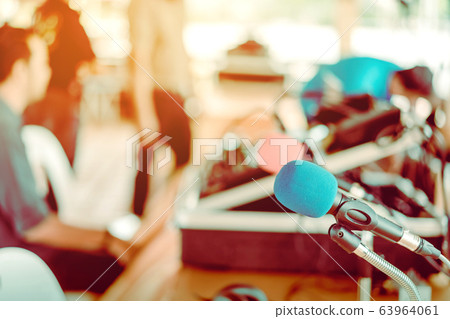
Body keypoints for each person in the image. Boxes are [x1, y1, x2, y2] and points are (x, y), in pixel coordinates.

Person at [0, 25, 127, 294]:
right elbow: (34, 227)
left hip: (26, 254)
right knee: (120, 270)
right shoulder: (3, 129)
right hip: (24, 265)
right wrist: (107, 240)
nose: (48, 72)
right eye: (44, 63)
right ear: (21, 70)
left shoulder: (9, 121)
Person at [128, 0, 193, 216]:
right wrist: (144, 112)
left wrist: (192, 97)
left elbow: (180, 53)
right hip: (158, 97)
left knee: (185, 164)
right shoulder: (144, 6)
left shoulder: (176, 6)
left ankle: (170, 219)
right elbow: (140, 60)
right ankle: (138, 224)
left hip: (178, 97)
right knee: (146, 169)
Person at [23, 0, 95, 166]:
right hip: (62, 95)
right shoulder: (70, 16)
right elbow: (88, 56)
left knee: (34, 149)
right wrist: (77, 80)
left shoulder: (38, 14)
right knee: (61, 155)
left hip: (35, 95)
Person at [300, 56, 437, 120]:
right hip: (311, 104)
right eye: (410, 97)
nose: (408, 100)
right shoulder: (365, 86)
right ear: (402, 86)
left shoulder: (394, 72)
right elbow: (351, 117)